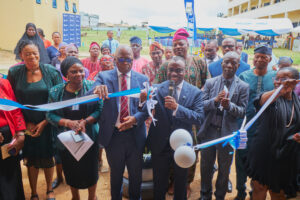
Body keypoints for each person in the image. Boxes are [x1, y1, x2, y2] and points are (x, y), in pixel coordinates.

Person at [7, 40, 63, 200]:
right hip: (26, 125)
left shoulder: (51, 71)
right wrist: (24, 125)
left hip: (48, 123)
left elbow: (59, 100)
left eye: (34, 53)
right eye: (27, 54)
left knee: (48, 156)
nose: (31, 56)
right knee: (30, 158)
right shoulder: (15, 72)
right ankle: (33, 192)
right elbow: (11, 100)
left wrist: (45, 122)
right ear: (21, 56)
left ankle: (49, 190)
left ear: (40, 53)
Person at [156, 28, 208, 197]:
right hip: (164, 129)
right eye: (175, 44)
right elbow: (155, 92)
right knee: (162, 174)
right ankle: (169, 183)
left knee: (186, 160)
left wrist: (181, 106)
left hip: (187, 127)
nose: (178, 46)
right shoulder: (165, 71)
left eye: (181, 44)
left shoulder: (199, 63)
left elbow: (205, 88)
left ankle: (184, 184)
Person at [92, 45, 149, 200]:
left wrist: (135, 119)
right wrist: (98, 88)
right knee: (116, 175)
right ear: (114, 59)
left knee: (136, 175)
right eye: (121, 59)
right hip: (114, 136)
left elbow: (148, 108)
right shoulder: (104, 77)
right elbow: (92, 89)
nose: (126, 63)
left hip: (135, 135)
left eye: (129, 59)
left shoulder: (142, 79)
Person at [144, 56, 205, 200]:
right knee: (159, 183)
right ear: (166, 70)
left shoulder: (195, 92)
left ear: (185, 71)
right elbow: (143, 110)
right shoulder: (156, 89)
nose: (174, 73)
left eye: (179, 70)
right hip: (160, 144)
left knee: (181, 183)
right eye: (171, 69)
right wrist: (143, 100)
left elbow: (199, 118)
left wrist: (177, 108)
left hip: (182, 146)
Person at [47, 57, 103, 200]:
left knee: (91, 170)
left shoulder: (92, 87)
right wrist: (68, 123)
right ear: (65, 74)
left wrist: (85, 121)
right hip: (67, 141)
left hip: (89, 137)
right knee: (71, 171)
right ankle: (75, 197)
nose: (79, 74)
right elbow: (49, 114)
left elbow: (99, 109)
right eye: (73, 72)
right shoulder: (56, 91)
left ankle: (92, 197)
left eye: (80, 70)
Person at [198, 52, 249, 200]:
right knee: (206, 167)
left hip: (227, 135)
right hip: (209, 132)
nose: (229, 66)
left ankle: (219, 196)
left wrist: (229, 106)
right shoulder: (210, 83)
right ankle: (204, 196)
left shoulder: (243, 86)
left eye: (233, 63)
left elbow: (242, 112)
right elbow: (201, 106)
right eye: (226, 62)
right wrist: (215, 100)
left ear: (238, 66)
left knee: (224, 169)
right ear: (221, 63)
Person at [246, 67, 300, 200]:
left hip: (286, 153)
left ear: (295, 82)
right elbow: (261, 101)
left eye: (285, 79)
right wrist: (279, 91)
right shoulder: (269, 98)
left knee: (278, 191)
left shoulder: (298, 103)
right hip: (263, 151)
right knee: (259, 187)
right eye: (277, 79)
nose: (279, 82)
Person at [235, 45, 277, 200]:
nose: (259, 59)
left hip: (266, 128)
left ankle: (256, 191)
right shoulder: (244, 76)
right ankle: (240, 192)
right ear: (253, 57)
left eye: (264, 57)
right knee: (241, 159)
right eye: (257, 56)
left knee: (260, 160)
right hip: (244, 126)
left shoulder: (275, 77)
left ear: (270, 59)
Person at [0, 78, 26, 200]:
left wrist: (20, 132)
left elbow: (15, 109)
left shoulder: (3, 83)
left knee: (11, 176)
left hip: (8, 138)